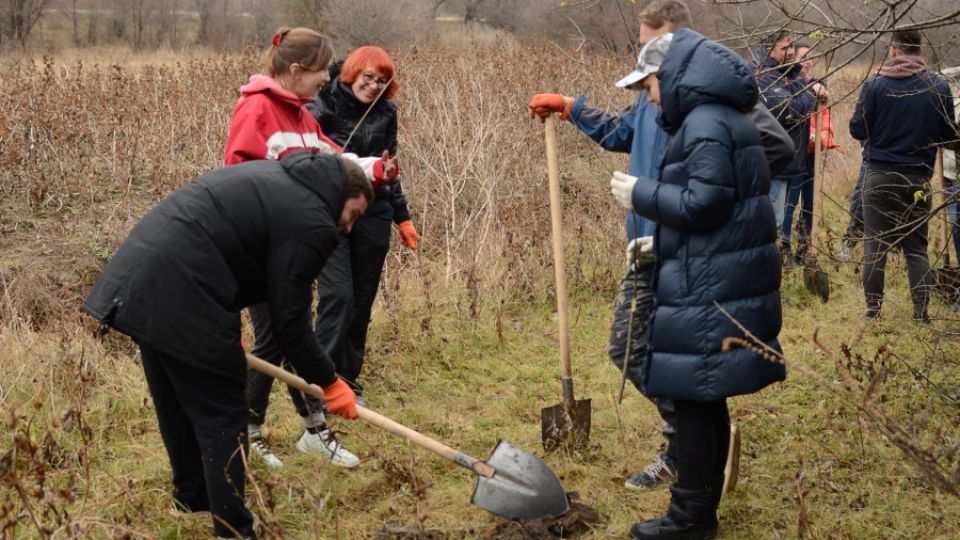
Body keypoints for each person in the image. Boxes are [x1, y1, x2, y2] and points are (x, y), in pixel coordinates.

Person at [527, 0, 792, 493]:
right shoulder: (656, 97)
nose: (645, 58)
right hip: (648, 245)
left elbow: (773, 148)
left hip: (689, 250)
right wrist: (572, 109)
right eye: (641, 48)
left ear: (680, 41)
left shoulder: (713, 99)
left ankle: (683, 447)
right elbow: (622, 132)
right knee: (651, 352)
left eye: (653, 46)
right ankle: (701, 440)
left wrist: (712, 199)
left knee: (635, 349)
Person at [80, 151, 371, 538]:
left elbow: (242, 252)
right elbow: (291, 324)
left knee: (178, 404)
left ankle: (192, 502)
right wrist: (330, 382)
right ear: (341, 193)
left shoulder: (278, 181)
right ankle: (234, 530)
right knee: (224, 418)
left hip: (143, 279)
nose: (349, 228)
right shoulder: (314, 220)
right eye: (353, 213)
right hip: (184, 287)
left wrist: (218, 320)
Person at [608, 30, 786, 539]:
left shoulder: (706, 122)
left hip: (709, 283)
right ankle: (696, 513)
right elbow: (717, 204)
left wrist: (641, 194)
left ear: (671, 76)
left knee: (692, 399)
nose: (650, 98)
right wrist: (656, 244)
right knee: (704, 398)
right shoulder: (720, 116)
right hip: (714, 272)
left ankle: (690, 519)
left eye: (650, 86)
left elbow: (703, 204)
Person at [225, 28, 398, 469]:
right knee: (274, 338)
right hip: (260, 245)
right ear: (297, 71)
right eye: (323, 72)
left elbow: (331, 160)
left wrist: (375, 168)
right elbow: (240, 179)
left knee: (293, 332)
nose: (329, 79)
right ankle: (250, 431)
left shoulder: (302, 116)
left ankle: (314, 431)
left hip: (290, 247)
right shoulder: (257, 109)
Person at [306, 46, 417, 408]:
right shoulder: (323, 102)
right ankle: (318, 383)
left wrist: (402, 217)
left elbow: (390, 166)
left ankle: (348, 381)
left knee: (361, 302)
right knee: (338, 296)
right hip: (331, 213)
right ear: (353, 72)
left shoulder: (387, 112)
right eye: (368, 77)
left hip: (375, 211)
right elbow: (305, 150)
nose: (373, 86)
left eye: (382, 81)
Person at [849, 29, 957, 321]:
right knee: (916, 249)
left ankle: (873, 311)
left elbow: (856, 129)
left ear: (893, 50)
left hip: (879, 175)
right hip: (917, 180)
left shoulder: (873, 86)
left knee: (875, 246)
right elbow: (948, 134)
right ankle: (921, 315)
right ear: (919, 51)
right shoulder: (938, 86)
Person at [750, 31, 823, 264]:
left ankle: (770, 270)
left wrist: (804, 94)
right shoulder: (762, 75)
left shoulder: (789, 73)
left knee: (779, 221)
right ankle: (759, 274)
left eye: (791, 46)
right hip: (771, 162)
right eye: (784, 48)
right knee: (771, 222)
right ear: (768, 48)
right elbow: (786, 111)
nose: (791, 52)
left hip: (791, 160)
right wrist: (810, 95)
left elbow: (797, 99)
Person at [782, 44, 842, 267]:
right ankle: (785, 247)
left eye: (811, 57)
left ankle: (805, 245)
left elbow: (824, 115)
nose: (808, 61)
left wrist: (824, 133)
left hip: (812, 152)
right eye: (803, 57)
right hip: (795, 151)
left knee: (810, 201)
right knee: (791, 200)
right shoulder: (788, 83)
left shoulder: (817, 84)